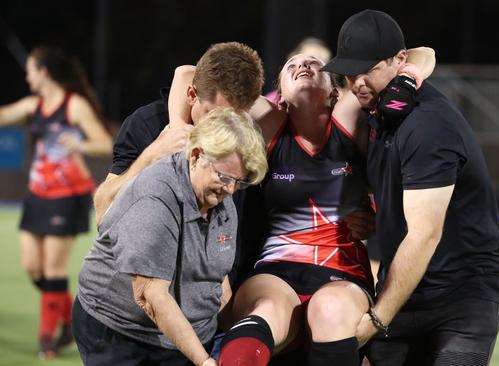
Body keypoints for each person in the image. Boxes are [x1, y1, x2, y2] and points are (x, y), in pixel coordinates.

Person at [168, 47, 435, 366]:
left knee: (331, 310)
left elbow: (423, 54)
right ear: (279, 94)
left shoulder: (347, 116)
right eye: (291, 64)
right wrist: (178, 131)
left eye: (314, 63)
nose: (302, 65)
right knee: (266, 309)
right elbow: (186, 72)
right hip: (277, 269)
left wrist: (405, 79)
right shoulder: (269, 121)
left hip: (343, 272)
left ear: (335, 90)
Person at [321, 9, 499, 365]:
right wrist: (373, 213)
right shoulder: (377, 108)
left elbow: (424, 235)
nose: (358, 82)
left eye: (370, 70)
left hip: (463, 295)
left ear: (399, 61)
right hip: (407, 290)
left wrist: (378, 318)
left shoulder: (427, 126)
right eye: (350, 72)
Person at [73, 108, 268, 366]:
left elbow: (217, 280)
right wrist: (205, 361)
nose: (231, 190)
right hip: (122, 333)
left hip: (186, 339)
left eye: (239, 182)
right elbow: (151, 295)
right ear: (196, 155)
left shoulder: (221, 199)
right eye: (224, 177)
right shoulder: (155, 196)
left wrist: (231, 337)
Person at [0, 46, 113, 358]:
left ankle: (47, 339)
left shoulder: (73, 106)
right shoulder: (33, 105)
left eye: (31, 70)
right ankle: (72, 318)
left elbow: (105, 143)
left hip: (67, 195)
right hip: (38, 194)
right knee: (33, 268)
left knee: (53, 270)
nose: (27, 76)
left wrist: (80, 143)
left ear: (44, 72)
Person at [92, 42, 264, 225]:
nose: (219, 127)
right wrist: (151, 155)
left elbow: (185, 72)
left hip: (222, 250)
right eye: (212, 115)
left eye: (232, 117)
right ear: (191, 95)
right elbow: (103, 211)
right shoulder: (149, 123)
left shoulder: (249, 133)